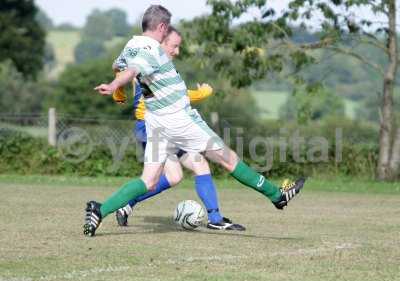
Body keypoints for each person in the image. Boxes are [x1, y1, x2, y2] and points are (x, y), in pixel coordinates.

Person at [84, 5, 305, 237]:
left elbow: (119, 66)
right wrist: (116, 86)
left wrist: (116, 84)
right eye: (166, 30)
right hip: (179, 119)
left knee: (148, 180)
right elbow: (133, 70)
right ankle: (277, 196)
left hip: (156, 122)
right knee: (229, 159)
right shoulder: (152, 48)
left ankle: (100, 210)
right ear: (161, 27)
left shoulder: (132, 44)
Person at [113, 26, 244, 230]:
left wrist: (118, 89)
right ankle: (126, 203)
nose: (176, 51)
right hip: (151, 126)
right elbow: (164, 95)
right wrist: (201, 94)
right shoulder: (149, 62)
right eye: (173, 45)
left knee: (186, 171)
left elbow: (121, 69)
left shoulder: (154, 61)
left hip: (168, 125)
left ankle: (215, 219)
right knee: (170, 175)